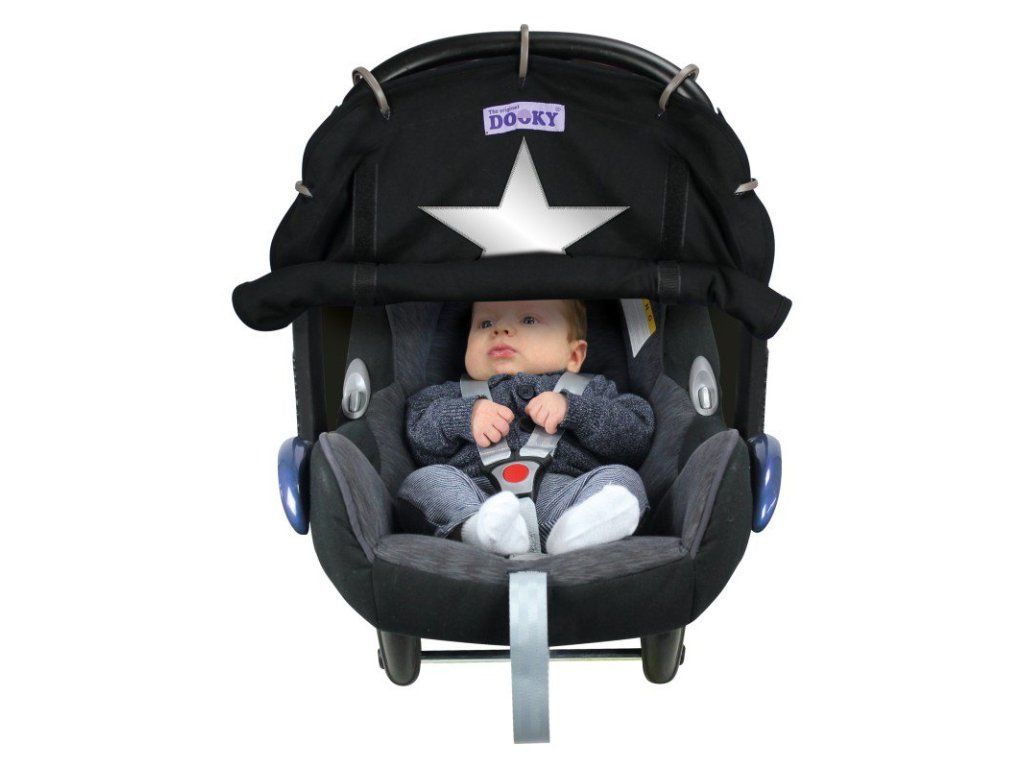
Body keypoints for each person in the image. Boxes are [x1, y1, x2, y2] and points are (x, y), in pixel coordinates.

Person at [396, 298, 655, 556]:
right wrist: (464, 416)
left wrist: (575, 410)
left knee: (622, 479)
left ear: (574, 356)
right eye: (485, 323)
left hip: (567, 497)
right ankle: (478, 532)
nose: (500, 329)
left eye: (529, 320)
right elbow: (419, 438)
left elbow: (635, 436)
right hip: (478, 498)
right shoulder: (450, 395)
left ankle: (579, 532)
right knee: (423, 481)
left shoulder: (591, 390)